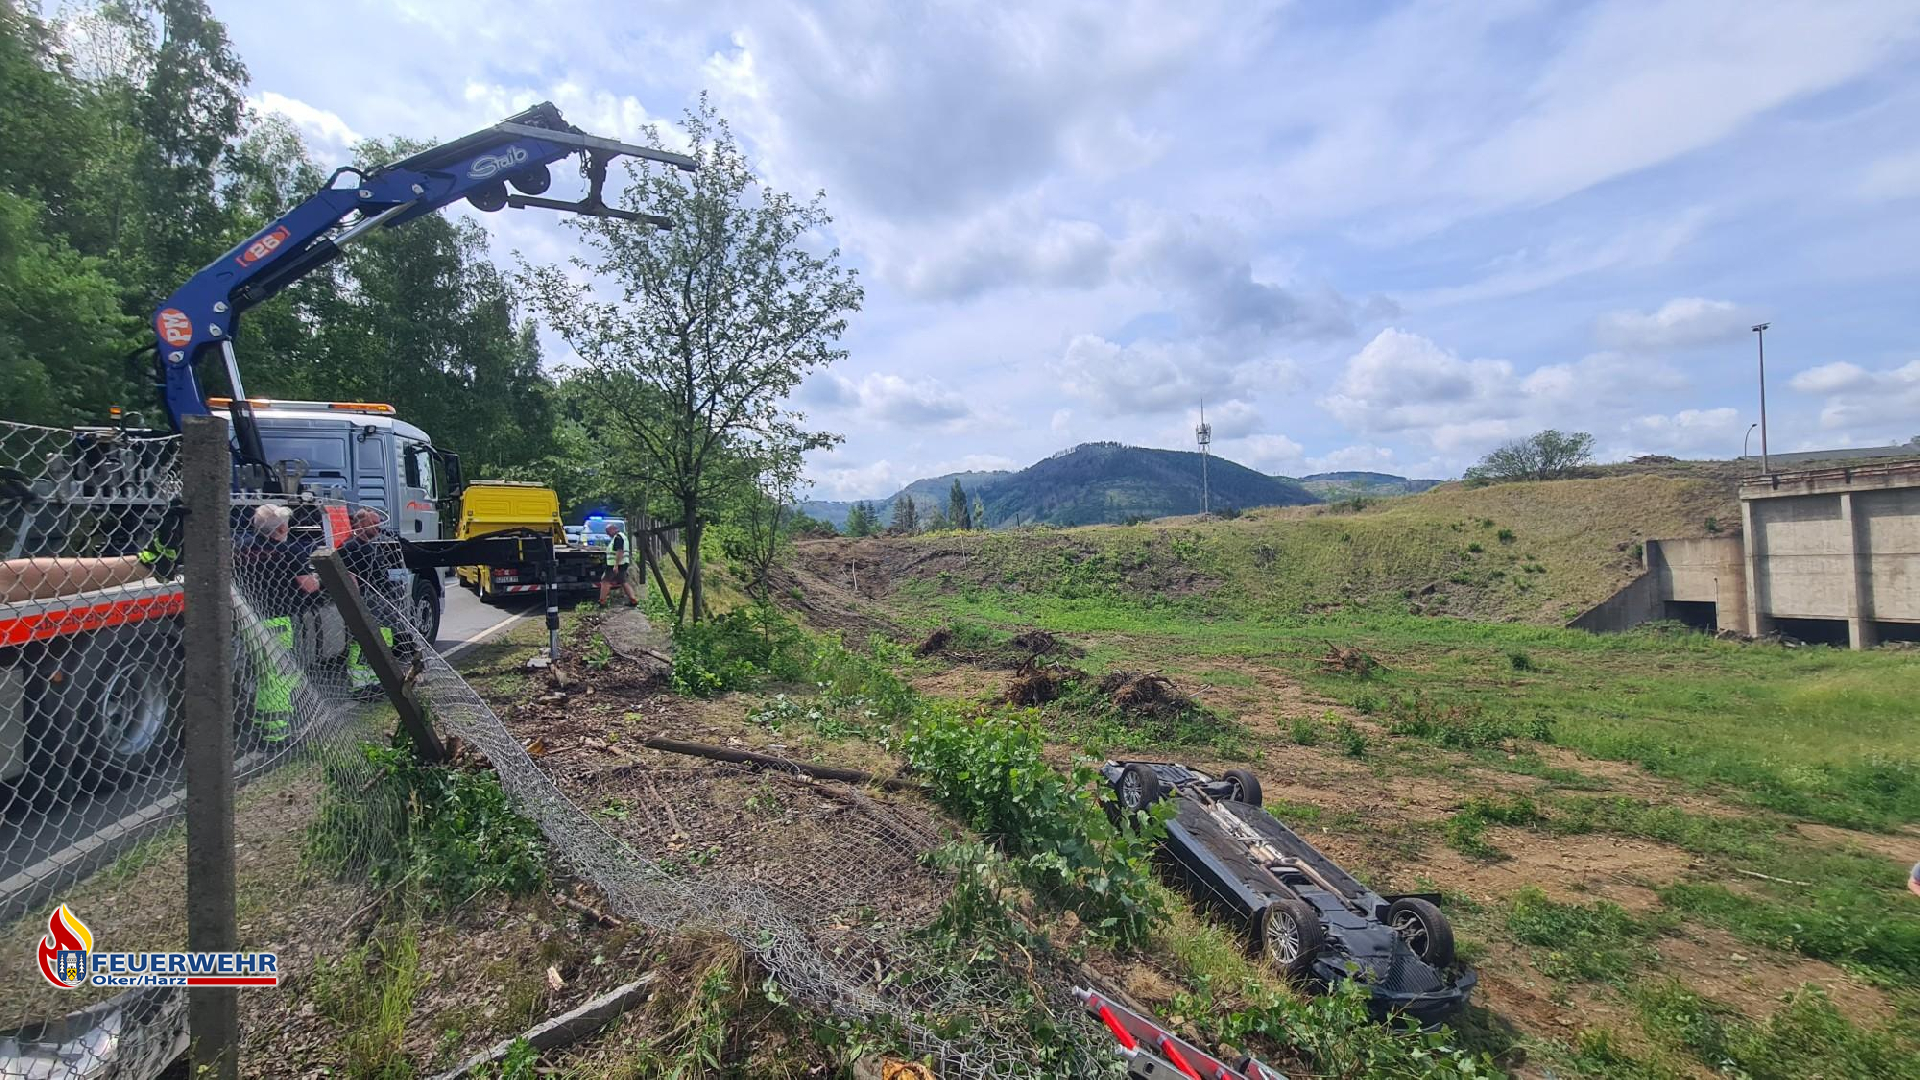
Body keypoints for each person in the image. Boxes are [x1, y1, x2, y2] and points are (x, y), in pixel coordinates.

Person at [232, 503, 319, 744]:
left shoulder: (240, 548)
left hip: (249, 618)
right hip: (278, 619)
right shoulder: (290, 551)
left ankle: (261, 725)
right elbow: (308, 586)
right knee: (278, 677)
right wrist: (318, 577)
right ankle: (275, 734)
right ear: (281, 528)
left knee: (264, 676)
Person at [598, 519, 639, 607]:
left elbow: (620, 551)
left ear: (613, 529)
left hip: (615, 564)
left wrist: (615, 565)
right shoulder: (622, 537)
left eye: (608, 531)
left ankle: (602, 602)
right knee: (623, 581)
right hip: (623, 563)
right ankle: (633, 600)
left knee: (605, 581)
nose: (607, 534)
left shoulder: (618, 538)